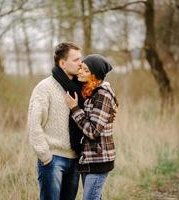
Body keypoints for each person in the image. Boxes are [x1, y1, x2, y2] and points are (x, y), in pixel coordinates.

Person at [28, 42, 85, 200]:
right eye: (76, 60)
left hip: (74, 159)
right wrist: (45, 156)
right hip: (53, 159)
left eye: (81, 59)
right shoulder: (44, 88)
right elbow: (34, 124)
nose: (81, 63)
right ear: (62, 63)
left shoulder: (80, 87)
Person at [65, 54, 118, 200]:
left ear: (94, 76)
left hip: (99, 158)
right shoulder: (89, 91)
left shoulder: (102, 95)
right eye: (81, 67)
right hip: (88, 158)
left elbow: (93, 131)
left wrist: (75, 109)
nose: (80, 71)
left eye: (85, 70)